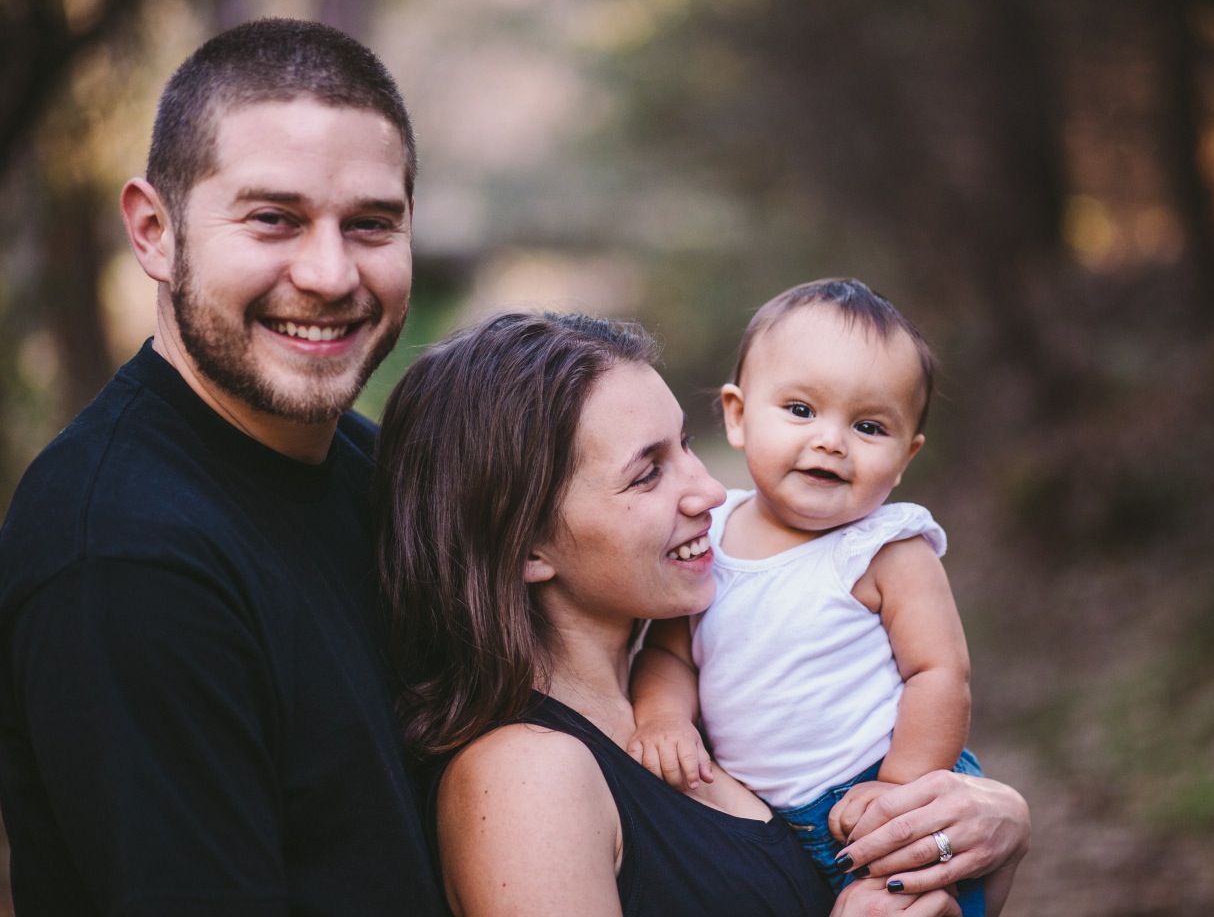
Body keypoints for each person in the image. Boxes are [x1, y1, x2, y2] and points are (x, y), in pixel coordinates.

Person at [0, 19, 448, 916]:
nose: (328, 274)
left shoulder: (376, 469)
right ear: (154, 231)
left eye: (370, 224)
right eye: (273, 219)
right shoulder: (126, 558)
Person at [373, 310, 1030, 916]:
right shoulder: (525, 780)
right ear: (527, 546)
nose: (712, 491)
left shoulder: (708, 701)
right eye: (647, 473)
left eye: (685, 446)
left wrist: (995, 829)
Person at [628, 278, 1004, 913]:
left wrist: (900, 786)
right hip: (767, 821)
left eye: (868, 425)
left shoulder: (886, 548)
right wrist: (662, 718)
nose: (832, 440)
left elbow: (939, 673)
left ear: (906, 455)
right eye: (801, 410)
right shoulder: (709, 535)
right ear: (739, 415)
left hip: (882, 794)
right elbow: (671, 652)